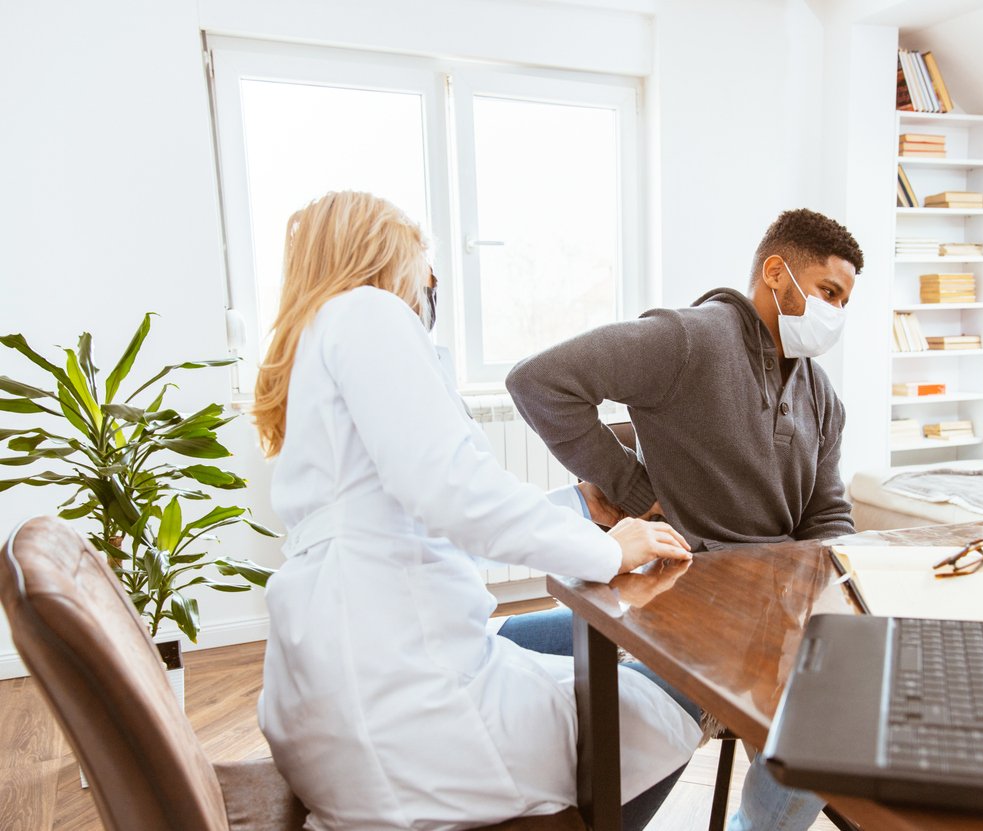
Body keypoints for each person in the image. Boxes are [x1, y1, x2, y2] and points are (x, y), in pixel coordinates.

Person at [251, 191, 701, 831]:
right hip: (406, 718)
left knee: (561, 642)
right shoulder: (367, 312)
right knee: (675, 702)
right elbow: (452, 490)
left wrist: (580, 504)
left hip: (340, 691)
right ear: (384, 260)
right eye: (425, 276)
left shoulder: (318, 351)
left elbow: (415, 519)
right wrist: (612, 550)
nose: (427, 297)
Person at [504, 207, 863, 831]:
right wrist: (635, 487)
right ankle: (482, 653)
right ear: (777, 274)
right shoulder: (688, 339)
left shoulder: (822, 396)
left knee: (823, 732)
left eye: (844, 300)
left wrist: (834, 595)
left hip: (768, 613)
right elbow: (539, 382)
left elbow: (828, 512)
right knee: (802, 735)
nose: (835, 312)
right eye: (828, 292)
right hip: (684, 596)